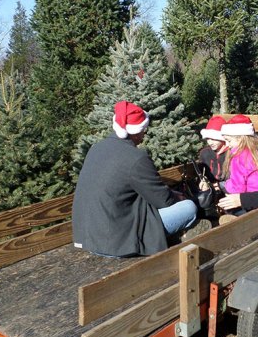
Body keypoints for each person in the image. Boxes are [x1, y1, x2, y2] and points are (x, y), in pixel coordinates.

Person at [73, 101, 207, 257]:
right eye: (144, 130)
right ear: (135, 132)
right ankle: (178, 237)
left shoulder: (96, 148)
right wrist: (179, 195)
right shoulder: (136, 158)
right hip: (117, 241)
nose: (144, 135)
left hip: (90, 238)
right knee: (189, 207)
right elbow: (163, 201)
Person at [219, 114, 258, 194]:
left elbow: (237, 188)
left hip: (250, 199)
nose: (227, 145)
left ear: (241, 138)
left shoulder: (238, 157)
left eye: (229, 140)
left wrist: (225, 185)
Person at [198, 116, 229, 183]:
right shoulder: (205, 153)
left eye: (213, 139)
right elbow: (201, 173)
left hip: (227, 187)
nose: (210, 142)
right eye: (208, 139)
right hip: (210, 187)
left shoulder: (230, 153)